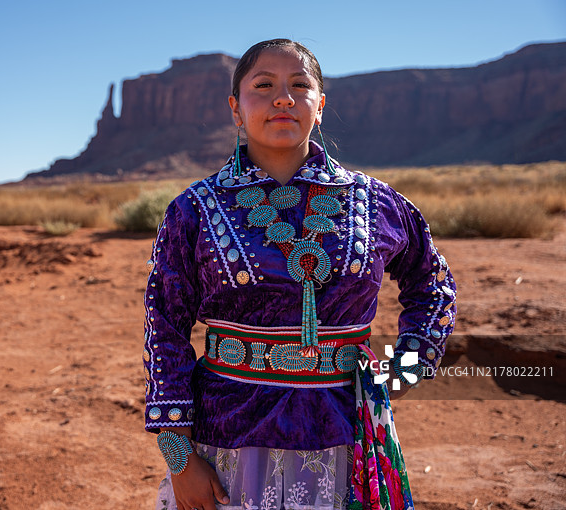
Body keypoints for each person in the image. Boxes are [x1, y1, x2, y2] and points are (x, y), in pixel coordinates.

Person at [143, 39, 456, 510]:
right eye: (263, 86)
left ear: (321, 105)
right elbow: (164, 328)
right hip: (227, 441)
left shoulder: (378, 202)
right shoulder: (193, 210)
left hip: (348, 437)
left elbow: (431, 283)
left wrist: (406, 368)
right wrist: (178, 458)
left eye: (299, 86)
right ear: (235, 109)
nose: (283, 98)